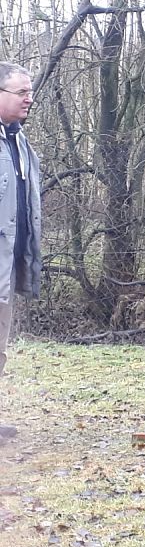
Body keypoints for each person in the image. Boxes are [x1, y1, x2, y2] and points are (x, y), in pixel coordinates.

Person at [0, 62, 42, 439]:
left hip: (7, 264)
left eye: (30, 91)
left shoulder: (19, 142)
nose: (30, 98)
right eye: (22, 92)